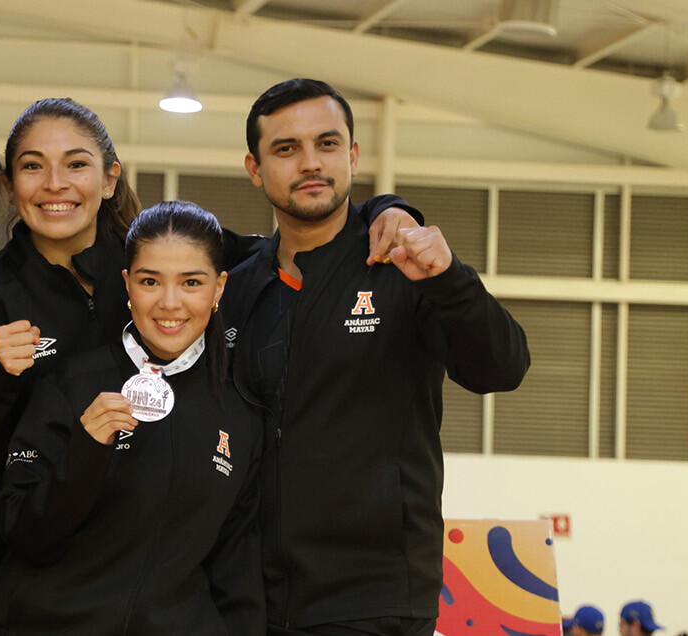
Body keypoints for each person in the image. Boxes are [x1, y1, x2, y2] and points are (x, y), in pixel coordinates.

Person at [0, 97, 421, 497]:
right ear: (9, 185)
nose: (55, 184)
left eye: (76, 164)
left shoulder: (161, 255)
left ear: (109, 179)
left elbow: (291, 241)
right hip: (30, 535)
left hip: (161, 530)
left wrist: (387, 208)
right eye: (32, 166)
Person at [224, 77, 531, 636]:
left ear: (353, 155)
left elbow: (502, 368)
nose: (310, 162)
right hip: (251, 601)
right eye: (286, 149)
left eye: (327, 143)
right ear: (255, 168)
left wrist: (450, 280)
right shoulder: (238, 288)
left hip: (376, 601)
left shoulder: (405, 266)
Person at [0, 200, 262, 635]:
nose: (170, 303)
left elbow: (236, 575)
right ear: (128, 283)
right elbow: (22, 535)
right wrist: (86, 450)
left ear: (219, 288)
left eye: (191, 282)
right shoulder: (71, 384)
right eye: (150, 281)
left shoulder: (239, 417)